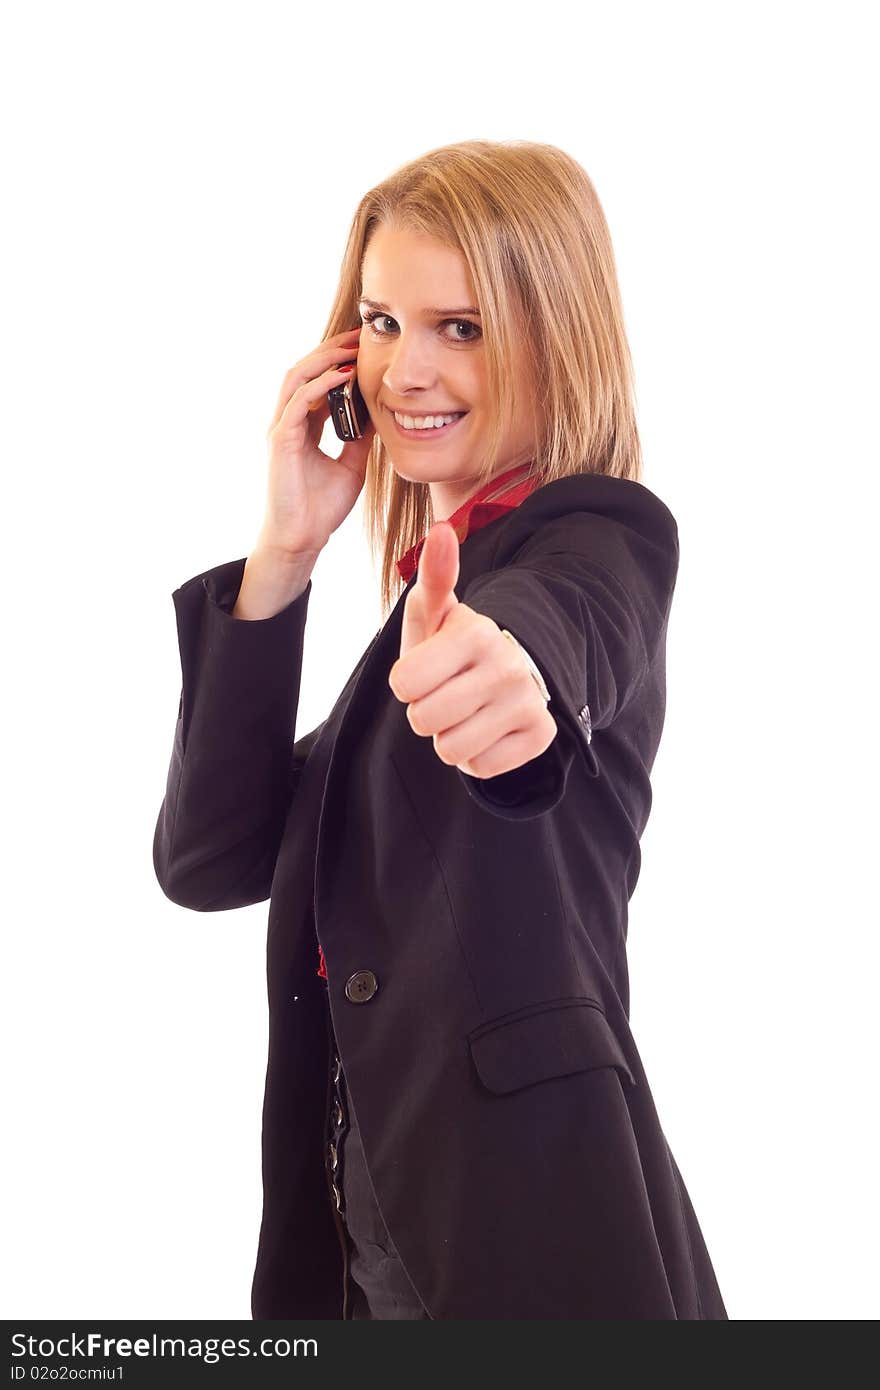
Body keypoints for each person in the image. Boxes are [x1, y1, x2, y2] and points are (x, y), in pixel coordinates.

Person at [153, 139, 729, 1320]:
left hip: (520, 1220)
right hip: (364, 1223)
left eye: (459, 327)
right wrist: (285, 554)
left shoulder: (594, 537)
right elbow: (209, 859)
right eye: (379, 320)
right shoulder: (403, 644)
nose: (402, 369)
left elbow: (567, 626)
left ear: (552, 333)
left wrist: (518, 673)